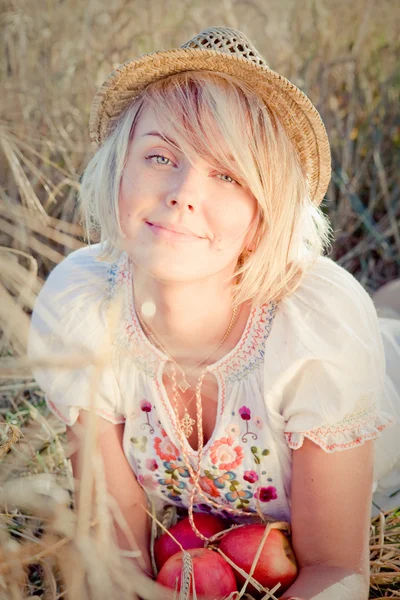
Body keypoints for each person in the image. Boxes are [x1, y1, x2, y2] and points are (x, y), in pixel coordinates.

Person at [27, 26, 400, 600]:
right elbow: (121, 556)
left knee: (383, 323)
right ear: (119, 169)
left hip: (384, 383)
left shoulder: (315, 332)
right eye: (159, 156)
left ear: (264, 209)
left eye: (227, 174)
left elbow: (334, 567)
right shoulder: (83, 307)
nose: (182, 192)